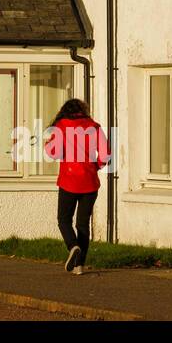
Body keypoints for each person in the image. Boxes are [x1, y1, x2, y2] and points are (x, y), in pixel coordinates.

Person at [45, 98, 108, 276]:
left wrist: (47, 146)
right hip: (89, 182)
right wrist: (95, 166)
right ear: (83, 110)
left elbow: (54, 153)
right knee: (83, 224)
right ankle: (79, 266)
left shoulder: (61, 126)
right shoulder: (94, 127)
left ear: (65, 110)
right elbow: (105, 154)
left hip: (68, 181)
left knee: (64, 220)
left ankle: (73, 246)